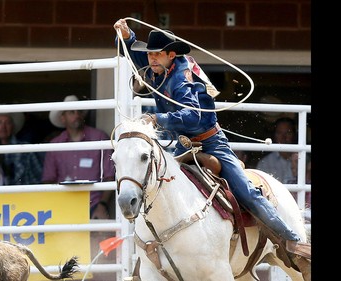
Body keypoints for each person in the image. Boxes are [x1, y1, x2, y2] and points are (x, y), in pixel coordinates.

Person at [113, 19, 310, 275]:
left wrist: (158, 119)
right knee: (157, 188)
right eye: (149, 54)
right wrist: (127, 36)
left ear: (171, 55)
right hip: (183, 146)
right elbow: (133, 57)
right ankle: (149, 259)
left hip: (211, 143)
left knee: (247, 192)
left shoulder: (183, 80)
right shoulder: (160, 67)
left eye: (156, 54)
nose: (150, 59)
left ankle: (293, 245)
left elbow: (194, 117)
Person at [41, 95, 115, 220]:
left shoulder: (100, 138)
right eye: (71, 112)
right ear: (63, 118)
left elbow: (110, 176)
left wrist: (102, 205)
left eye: (79, 111)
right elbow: (48, 180)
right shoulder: (55, 145)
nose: (77, 115)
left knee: (99, 238)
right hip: (63, 205)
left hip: (94, 205)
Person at [0, 112, 43, 185]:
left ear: (13, 126)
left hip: (23, 195)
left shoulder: (26, 149)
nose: (3, 127)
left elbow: (38, 179)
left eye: (8, 123)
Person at [256, 117, 297, 183]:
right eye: (279, 133)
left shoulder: (303, 159)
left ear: (294, 135)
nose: (283, 137)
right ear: (274, 135)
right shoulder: (265, 163)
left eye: (288, 133)